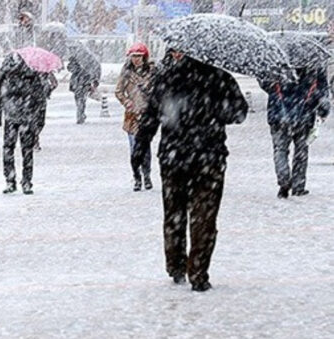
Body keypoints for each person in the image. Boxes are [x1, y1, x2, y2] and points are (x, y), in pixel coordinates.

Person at [132, 50, 248, 292]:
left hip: (174, 157)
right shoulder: (220, 78)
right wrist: (215, 110)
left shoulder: (167, 78)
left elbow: (151, 116)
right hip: (209, 158)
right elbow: (239, 113)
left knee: (174, 213)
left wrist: (141, 146)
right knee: (204, 217)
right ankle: (198, 272)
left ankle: (175, 265)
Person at [259, 66, 330, 198]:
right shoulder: (314, 62)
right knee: (301, 152)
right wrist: (323, 110)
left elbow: (265, 84)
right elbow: (322, 89)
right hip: (304, 114)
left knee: (280, 150)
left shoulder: (275, 61)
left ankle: (284, 181)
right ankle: (298, 186)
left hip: (279, 113)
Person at [0, 53, 46, 195]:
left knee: (8, 149)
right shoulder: (31, 74)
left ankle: (11, 181)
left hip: (11, 116)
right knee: (26, 150)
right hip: (26, 117)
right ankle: (26, 182)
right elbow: (40, 98)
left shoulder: (4, 73)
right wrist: (40, 120)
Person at [115, 42, 157, 191]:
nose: (136, 59)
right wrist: (127, 102)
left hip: (147, 116)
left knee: (145, 149)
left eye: (139, 56)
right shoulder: (126, 72)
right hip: (132, 116)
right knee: (134, 149)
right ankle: (136, 177)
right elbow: (118, 91)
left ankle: (147, 175)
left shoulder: (152, 72)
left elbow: (159, 90)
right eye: (134, 56)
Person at [67, 42, 101, 124]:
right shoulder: (79, 59)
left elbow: (71, 69)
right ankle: (81, 113)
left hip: (81, 82)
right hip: (81, 82)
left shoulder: (83, 59)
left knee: (80, 99)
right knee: (80, 99)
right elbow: (70, 68)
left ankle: (80, 114)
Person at [34, 71, 58, 151]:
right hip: (35, 100)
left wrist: (49, 90)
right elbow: (54, 84)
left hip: (38, 100)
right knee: (38, 121)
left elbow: (54, 83)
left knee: (39, 122)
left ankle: (34, 136)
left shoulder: (46, 71)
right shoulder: (27, 70)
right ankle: (35, 138)